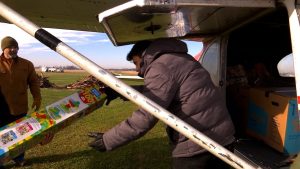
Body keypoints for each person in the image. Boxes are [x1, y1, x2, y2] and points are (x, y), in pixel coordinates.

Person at [88, 38, 235, 169]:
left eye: (136, 63)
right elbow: (158, 91)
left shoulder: (160, 66)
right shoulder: (178, 58)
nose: (137, 70)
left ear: (144, 54)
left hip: (199, 145)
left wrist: (108, 140)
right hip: (222, 137)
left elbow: (147, 115)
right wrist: (120, 91)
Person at [0, 36, 41, 168]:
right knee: (1, 136)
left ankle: (19, 158)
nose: (13, 49)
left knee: (20, 134)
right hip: (1, 107)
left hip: (19, 107)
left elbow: (34, 82)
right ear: (3, 48)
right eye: (10, 47)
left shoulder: (27, 64)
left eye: (15, 47)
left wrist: (37, 97)